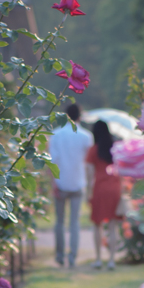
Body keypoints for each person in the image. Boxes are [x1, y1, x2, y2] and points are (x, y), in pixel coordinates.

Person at [47, 104, 93, 268]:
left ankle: (59, 255)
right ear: (80, 116)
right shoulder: (86, 136)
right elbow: (87, 163)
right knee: (74, 222)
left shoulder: (56, 135)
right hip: (78, 182)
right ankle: (72, 256)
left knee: (59, 221)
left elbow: (52, 161)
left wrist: (53, 181)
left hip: (60, 182)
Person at [85, 120, 123, 270]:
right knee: (113, 226)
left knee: (97, 224)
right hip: (114, 188)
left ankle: (98, 259)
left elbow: (89, 172)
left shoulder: (93, 150)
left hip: (99, 189)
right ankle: (112, 260)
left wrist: (88, 192)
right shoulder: (116, 149)